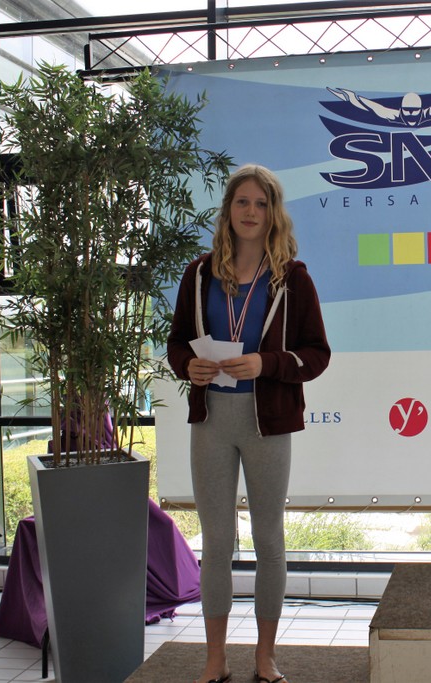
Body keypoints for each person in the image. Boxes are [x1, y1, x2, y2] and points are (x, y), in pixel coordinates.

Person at [167, 163, 331, 683]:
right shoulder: (198, 274)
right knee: (216, 543)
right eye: (243, 202)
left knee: (269, 540)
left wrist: (267, 363)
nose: (251, 211)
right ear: (228, 210)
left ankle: (265, 656)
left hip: (268, 424)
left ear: (273, 213)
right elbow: (177, 342)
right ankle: (215, 659)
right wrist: (187, 366)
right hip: (212, 419)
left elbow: (317, 354)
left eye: (261, 203)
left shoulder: (292, 278)